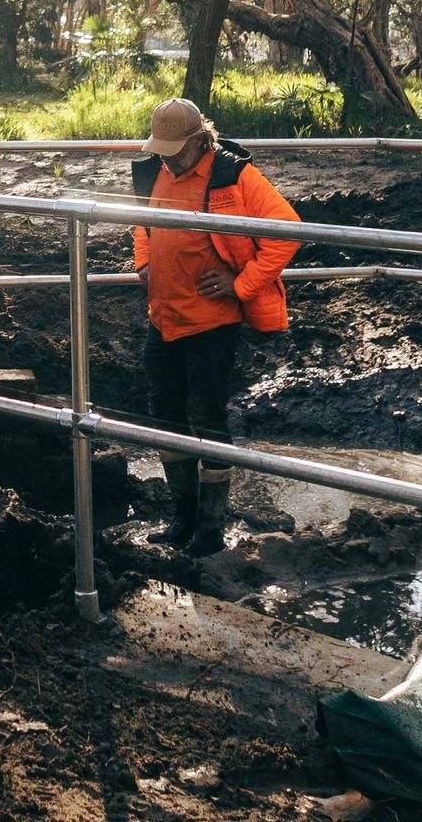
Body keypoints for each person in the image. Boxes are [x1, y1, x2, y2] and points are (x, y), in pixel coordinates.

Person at [130, 97, 299, 556]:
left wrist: (242, 283)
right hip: (162, 319)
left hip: (210, 322)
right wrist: (143, 262)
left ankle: (209, 530)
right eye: (159, 146)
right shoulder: (154, 171)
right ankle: (181, 518)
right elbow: (142, 224)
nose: (164, 155)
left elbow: (287, 228)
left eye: (172, 148)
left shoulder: (233, 175)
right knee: (165, 416)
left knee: (207, 417)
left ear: (198, 139)